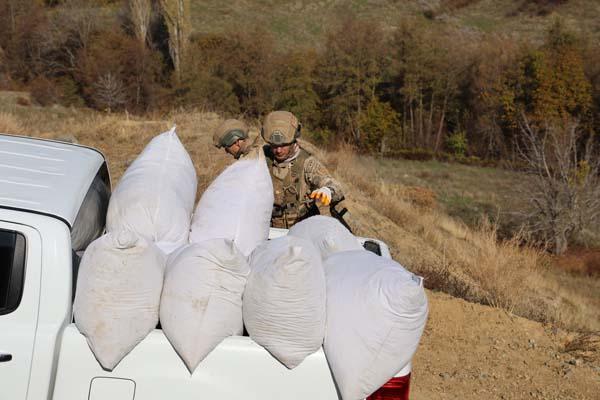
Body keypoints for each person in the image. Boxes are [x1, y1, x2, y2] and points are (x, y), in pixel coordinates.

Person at [261, 110, 344, 228]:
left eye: (283, 145)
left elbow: (336, 186)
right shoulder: (261, 157)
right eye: (274, 146)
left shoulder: (307, 163)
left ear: (293, 140)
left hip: (299, 231)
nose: (278, 150)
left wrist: (327, 191)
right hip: (268, 229)